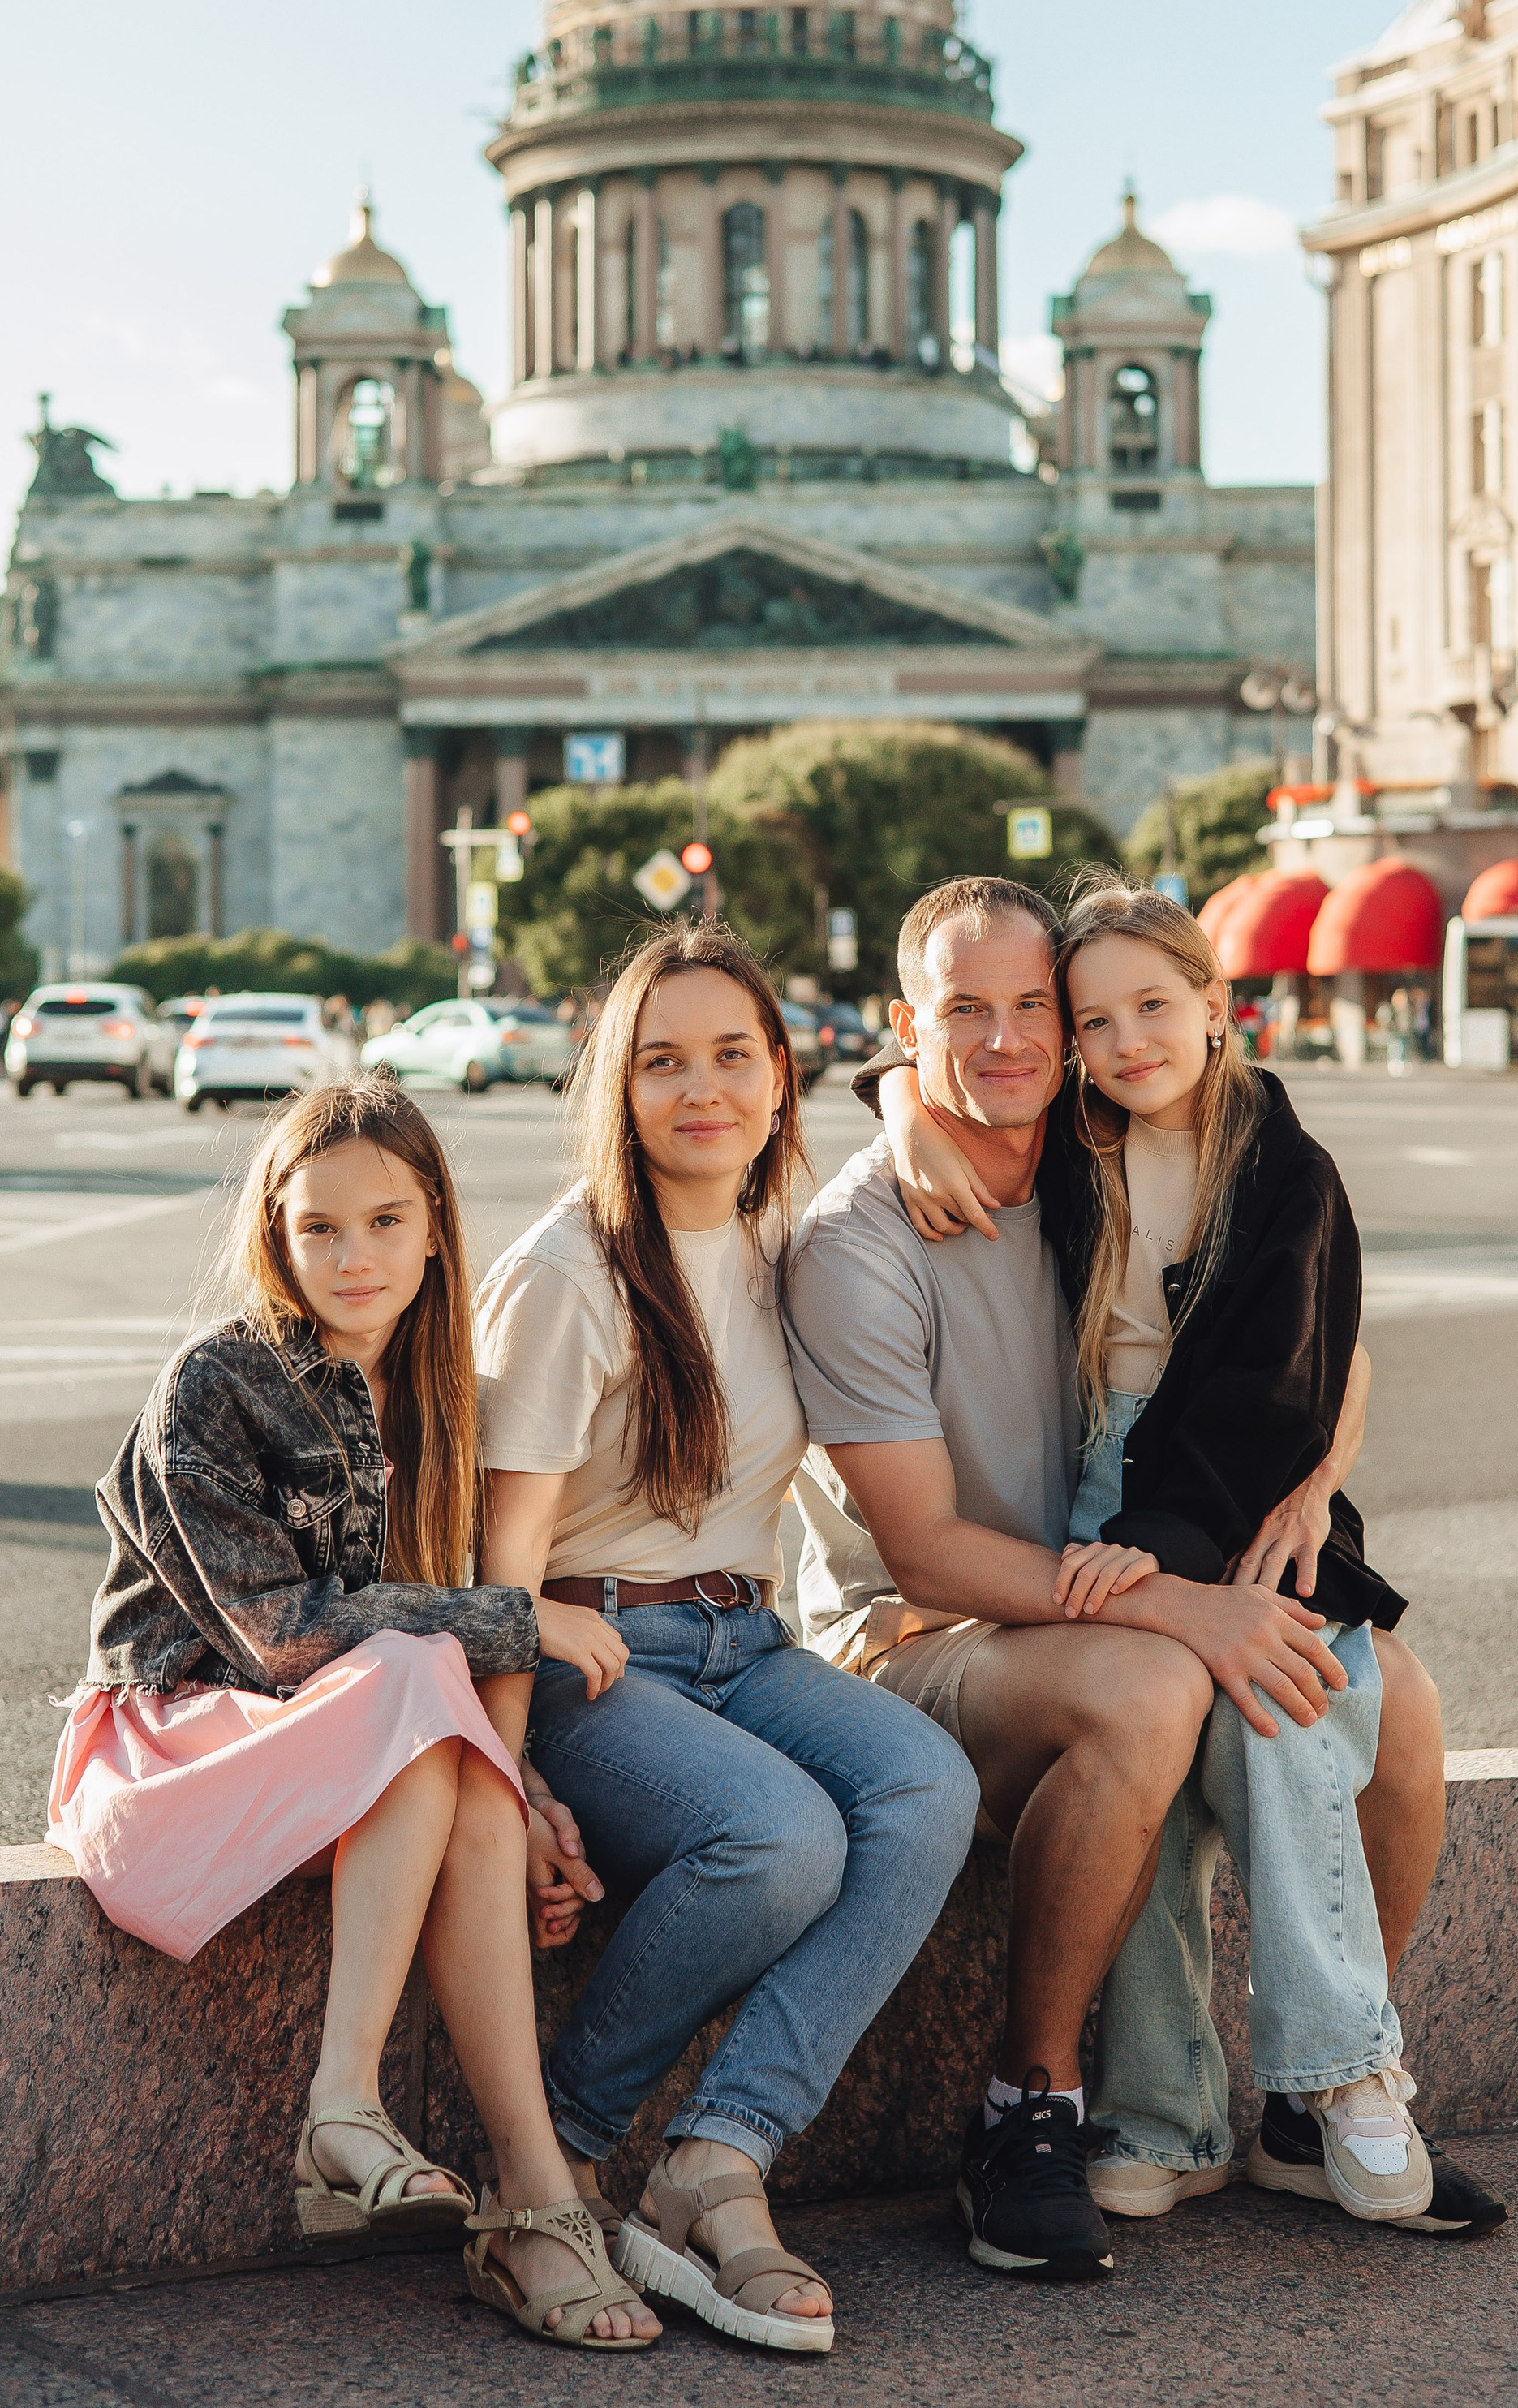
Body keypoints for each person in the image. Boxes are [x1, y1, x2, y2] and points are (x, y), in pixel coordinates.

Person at [782, 877, 1477, 2287]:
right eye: (967, 1013)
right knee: (1168, 1682)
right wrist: (1184, 1597)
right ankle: (1035, 2105)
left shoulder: (1081, 1150)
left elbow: (1309, 1322)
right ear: (909, 1026)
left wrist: (1316, 1468)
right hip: (930, 1625)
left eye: (1036, 1007)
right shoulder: (868, 1231)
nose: (1015, 1038)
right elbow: (922, 1554)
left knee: (1393, 1706)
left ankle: (1311, 2095)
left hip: (1126, 1567)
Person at [47, 1075, 659, 2348]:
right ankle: (345, 2100)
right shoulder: (214, 1384)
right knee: (423, 1671)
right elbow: (281, 1636)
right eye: (318, 1227)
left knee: (454, 1741)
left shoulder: (442, 1401)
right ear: (275, 1232)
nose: (353, 1256)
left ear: (436, 1225)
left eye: (386, 1221)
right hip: (170, 1748)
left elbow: (398, 1672)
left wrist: (529, 1796)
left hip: (356, 1748)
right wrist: (520, 1620)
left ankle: (534, 2200)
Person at [475, 922, 981, 2356]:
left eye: (733, 1056)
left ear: (781, 1076)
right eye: (663, 1062)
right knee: (779, 1839)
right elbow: (503, 1557)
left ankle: (716, 2160)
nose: (703, 1090)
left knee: (926, 1784)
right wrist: (506, 1780)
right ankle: (553, 2164)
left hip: (745, 1644)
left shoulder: (787, 1240)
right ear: (616, 1091)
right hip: (592, 1656)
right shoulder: (568, 1271)